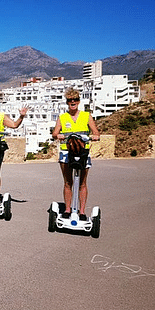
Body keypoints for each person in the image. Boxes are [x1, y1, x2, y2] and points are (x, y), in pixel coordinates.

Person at [51, 88, 100, 220]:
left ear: (79, 101)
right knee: (68, 182)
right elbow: (55, 133)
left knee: (83, 183)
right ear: (67, 102)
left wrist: (95, 136)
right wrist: (58, 135)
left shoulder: (86, 116)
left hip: (83, 152)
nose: (72, 102)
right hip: (66, 152)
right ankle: (67, 209)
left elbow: (96, 133)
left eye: (75, 100)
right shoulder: (62, 117)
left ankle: (82, 211)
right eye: (70, 100)